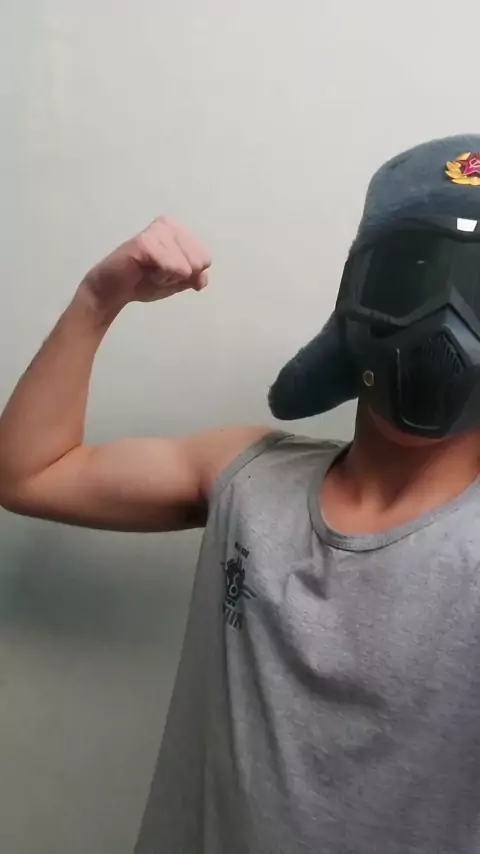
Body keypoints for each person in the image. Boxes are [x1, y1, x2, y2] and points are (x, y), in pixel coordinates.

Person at [2, 135, 480, 854]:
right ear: (358, 292)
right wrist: (99, 298)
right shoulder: (249, 478)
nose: (447, 325)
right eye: (413, 274)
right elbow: (30, 471)